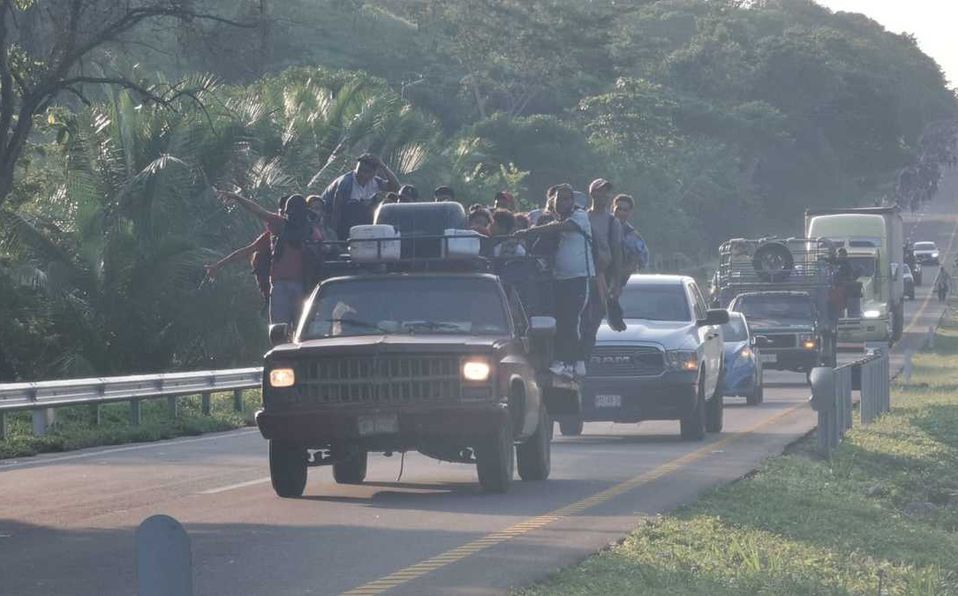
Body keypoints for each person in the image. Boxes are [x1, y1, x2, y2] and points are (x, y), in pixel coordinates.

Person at [515, 183, 593, 378]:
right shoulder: (554, 220)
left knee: (570, 321)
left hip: (578, 278)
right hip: (559, 278)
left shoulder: (580, 216)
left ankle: (569, 362)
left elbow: (562, 227)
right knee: (559, 320)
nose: (563, 202)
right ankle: (566, 360)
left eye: (567, 199)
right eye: (559, 199)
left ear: (573, 201)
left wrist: (531, 231)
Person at [217, 191, 323, 330]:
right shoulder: (288, 227)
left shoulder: (310, 232)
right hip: (285, 287)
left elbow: (258, 211)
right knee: (281, 331)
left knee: (295, 331)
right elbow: (257, 212)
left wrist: (236, 197)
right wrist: (236, 197)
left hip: (300, 288)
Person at [319, 154, 399, 243]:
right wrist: (334, 238)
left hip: (354, 221)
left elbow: (395, 187)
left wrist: (383, 166)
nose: (361, 174)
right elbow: (336, 213)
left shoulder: (375, 182)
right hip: (330, 218)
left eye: (366, 171)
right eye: (359, 170)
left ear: (374, 173)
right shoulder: (346, 183)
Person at [583, 178, 624, 347]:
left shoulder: (612, 222)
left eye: (606, 192)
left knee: (594, 322)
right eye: (600, 191)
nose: (604, 195)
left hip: (601, 277)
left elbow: (617, 253)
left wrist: (616, 284)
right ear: (592, 193)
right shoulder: (582, 218)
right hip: (581, 276)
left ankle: (586, 354)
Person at [613, 194, 649, 286]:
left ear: (630, 213)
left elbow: (640, 261)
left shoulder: (632, 237)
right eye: (618, 209)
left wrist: (620, 275)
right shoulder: (604, 227)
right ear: (612, 208)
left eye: (625, 210)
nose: (621, 212)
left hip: (623, 283)